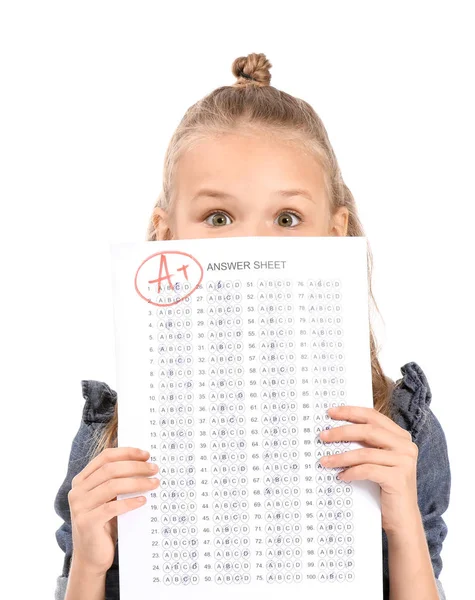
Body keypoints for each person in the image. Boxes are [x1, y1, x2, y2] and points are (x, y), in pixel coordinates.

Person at [53, 52, 451, 600]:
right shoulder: (110, 440)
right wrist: (89, 567)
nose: (252, 246)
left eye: (287, 219)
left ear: (335, 234)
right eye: (218, 218)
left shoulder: (398, 431)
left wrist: (404, 527)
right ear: (165, 233)